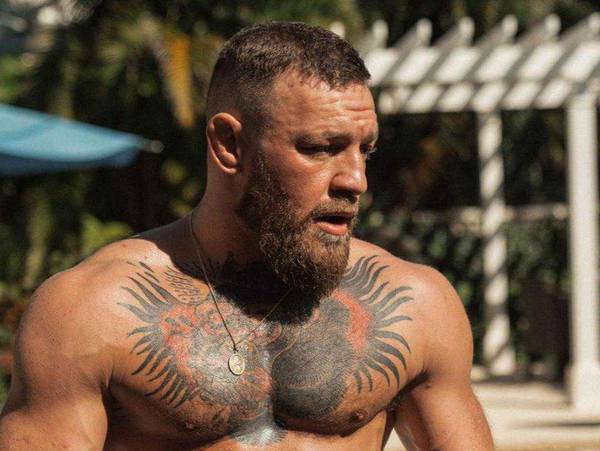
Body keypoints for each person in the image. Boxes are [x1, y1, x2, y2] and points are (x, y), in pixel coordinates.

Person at [0, 22, 493, 450]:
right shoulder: (90, 311)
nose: (355, 180)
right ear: (229, 144)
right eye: (320, 148)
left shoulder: (416, 304)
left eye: (365, 150)